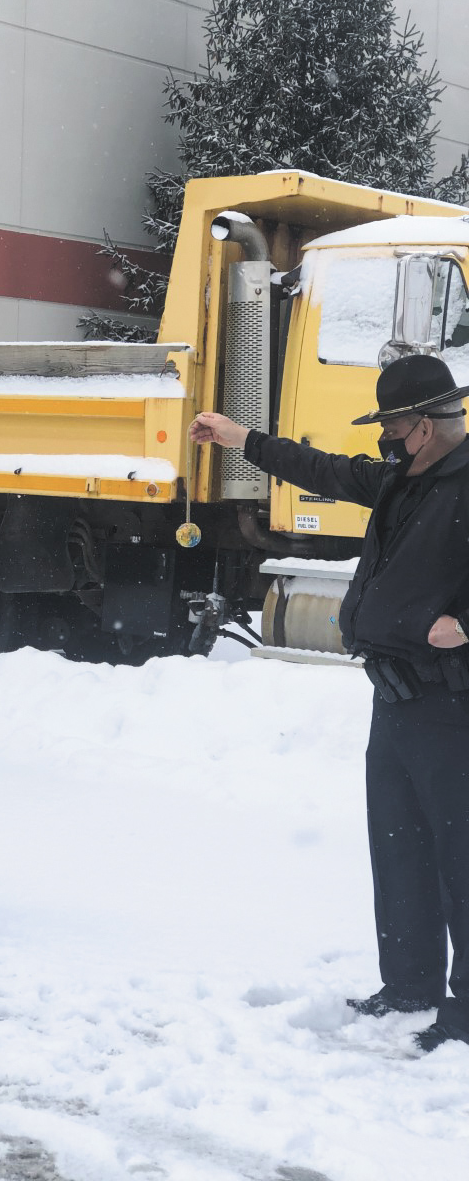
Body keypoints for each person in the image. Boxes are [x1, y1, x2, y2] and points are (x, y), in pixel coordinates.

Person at [189, 353, 469, 1054]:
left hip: (452, 704)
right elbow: (325, 471)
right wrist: (238, 437)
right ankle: (408, 985)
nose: (383, 442)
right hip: (394, 697)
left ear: (425, 426)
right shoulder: (404, 479)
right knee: (399, 848)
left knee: (460, 860)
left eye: (391, 428)